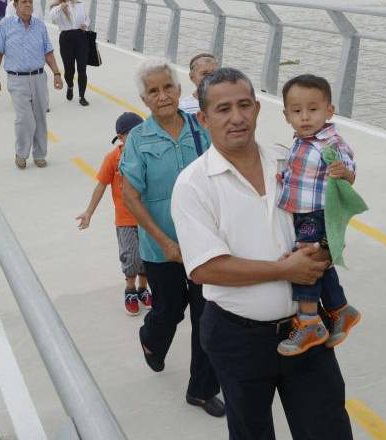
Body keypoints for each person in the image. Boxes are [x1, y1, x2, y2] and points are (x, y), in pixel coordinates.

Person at [171, 67, 353, 440]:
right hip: (237, 338)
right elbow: (205, 269)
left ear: (257, 108)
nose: (237, 117)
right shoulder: (193, 185)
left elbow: (329, 215)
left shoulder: (291, 161)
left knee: (328, 428)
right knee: (251, 432)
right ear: (203, 119)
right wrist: (284, 270)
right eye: (223, 109)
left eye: (244, 105)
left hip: (306, 331)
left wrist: (325, 250)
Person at [118, 58, 222, 418]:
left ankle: (202, 390)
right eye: (153, 91)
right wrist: (164, 242)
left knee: (208, 317)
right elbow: (131, 196)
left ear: (179, 90)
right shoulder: (138, 140)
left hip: (204, 243)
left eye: (167, 87)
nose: (162, 96)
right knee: (170, 310)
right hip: (161, 248)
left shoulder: (202, 128)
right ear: (144, 99)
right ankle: (151, 339)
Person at [275, 74, 362, 356]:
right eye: (296, 111)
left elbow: (350, 170)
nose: (305, 117)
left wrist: (344, 172)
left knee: (306, 262)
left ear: (329, 110)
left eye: (313, 109)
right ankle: (341, 310)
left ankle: (310, 320)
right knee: (322, 265)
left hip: (318, 214)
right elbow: (300, 173)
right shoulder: (300, 140)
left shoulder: (330, 143)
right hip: (302, 213)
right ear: (286, 115)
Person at [76, 112, 152, 316]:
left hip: (147, 217)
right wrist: (89, 212)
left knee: (147, 256)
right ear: (121, 137)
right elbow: (101, 186)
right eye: (133, 133)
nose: (139, 136)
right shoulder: (112, 159)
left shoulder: (147, 154)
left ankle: (143, 289)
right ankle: (130, 290)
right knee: (131, 256)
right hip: (125, 220)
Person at [0, 0, 63, 170]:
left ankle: (39, 155)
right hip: (17, 79)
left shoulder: (40, 25)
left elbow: (48, 52)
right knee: (25, 119)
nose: (28, 5)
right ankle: (21, 153)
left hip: (39, 77)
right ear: (15, 5)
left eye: (30, 1)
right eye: (24, 2)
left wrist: (56, 73)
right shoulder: (5, 25)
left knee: (40, 118)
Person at [48, 0, 92, 106]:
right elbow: (52, 17)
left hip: (81, 36)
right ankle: (70, 86)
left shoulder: (79, 5)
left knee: (82, 69)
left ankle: (82, 96)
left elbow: (87, 18)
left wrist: (85, 25)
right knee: (69, 69)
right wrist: (60, 7)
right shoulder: (56, 7)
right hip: (66, 38)